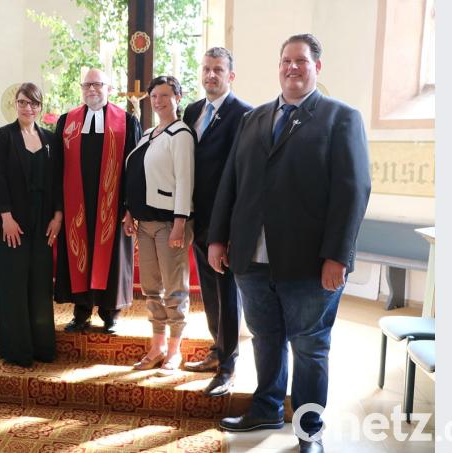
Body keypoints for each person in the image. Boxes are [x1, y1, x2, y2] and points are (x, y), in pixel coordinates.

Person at [208, 34, 371, 453]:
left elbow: (352, 191)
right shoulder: (254, 118)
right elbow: (231, 183)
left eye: (301, 61)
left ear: (318, 66)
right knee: (265, 338)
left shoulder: (340, 118)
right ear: (278, 66)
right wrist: (218, 238)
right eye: (286, 60)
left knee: (310, 348)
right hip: (252, 258)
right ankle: (265, 407)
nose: (292, 67)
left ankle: (309, 428)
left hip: (309, 262)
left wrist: (338, 255)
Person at [182, 48, 253, 397]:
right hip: (198, 215)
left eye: (219, 70)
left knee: (227, 292)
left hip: (223, 221)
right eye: (207, 69)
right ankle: (217, 349)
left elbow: (239, 174)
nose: (211, 75)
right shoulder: (193, 110)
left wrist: (224, 232)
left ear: (231, 76)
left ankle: (228, 366)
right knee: (209, 292)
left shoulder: (245, 115)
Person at [54, 68, 141, 335]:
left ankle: (110, 314)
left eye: (98, 84)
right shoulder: (66, 121)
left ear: (109, 88)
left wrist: (130, 208)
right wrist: (58, 208)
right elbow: (56, 166)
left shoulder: (126, 121)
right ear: (81, 88)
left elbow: (134, 168)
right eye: (87, 85)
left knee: (111, 258)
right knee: (79, 254)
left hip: (112, 206)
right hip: (76, 205)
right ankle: (81, 313)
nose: (92, 89)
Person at [124, 76, 195, 374]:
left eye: (165, 95)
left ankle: (175, 351)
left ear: (177, 97)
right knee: (152, 289)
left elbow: (184, 180)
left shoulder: (181, 134)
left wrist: (180, 223)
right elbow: (135, 174)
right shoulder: (150, 134)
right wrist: (129, 211)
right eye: (154, 96)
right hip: (145, 223)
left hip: (169, 224)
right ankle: (157, 346)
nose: (158, 101)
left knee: (175, 289)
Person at [0, 82, 63, 368]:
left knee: (39, 284)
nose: (27, 108)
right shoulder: (4, 136)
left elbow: (57, 180)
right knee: (13, 285)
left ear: (40, 107)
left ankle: (42, 347)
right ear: (15, 104)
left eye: (33, 103)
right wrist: (5, 217)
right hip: (13, 223)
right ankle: (17, 350)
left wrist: (58, 216)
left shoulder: (49, 138)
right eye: (22, 102)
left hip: (43, 221)